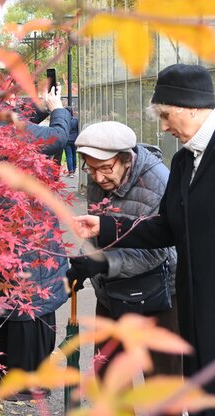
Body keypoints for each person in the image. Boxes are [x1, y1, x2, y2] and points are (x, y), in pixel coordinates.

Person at [72, 64, 215, 415]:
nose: (164, 127)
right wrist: (105, 227)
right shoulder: (183, 161)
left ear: (191, 107)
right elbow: (166, 228)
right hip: (196, 309)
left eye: (166, 115)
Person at [0, 87, 71, 395]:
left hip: (0, 226)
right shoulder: (0, 126)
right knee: (31, 298)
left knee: (5, 296)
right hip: (24, 227)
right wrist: (58, 110)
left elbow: (18, 124)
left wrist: (40, 107)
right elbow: (56, 139)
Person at [66, 121, 180, 375]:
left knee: (161, 377)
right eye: (90, 168)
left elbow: (157, 249)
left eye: (105, 168)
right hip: (110, 291)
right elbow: (96, 228)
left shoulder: (159, 182)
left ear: (126, 159)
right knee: (108, 373)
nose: (98, 177)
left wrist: (104, 263)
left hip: (158, 294)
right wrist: (84, 262)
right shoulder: (99, 178)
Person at [63, 107, 79, 177]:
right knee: (74, 155)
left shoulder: (64, 120)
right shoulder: (76, 120)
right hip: (75, 140)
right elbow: (78, 130)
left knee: (69, 156)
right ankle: (74, 170)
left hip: (67, 140)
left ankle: (70, 172)